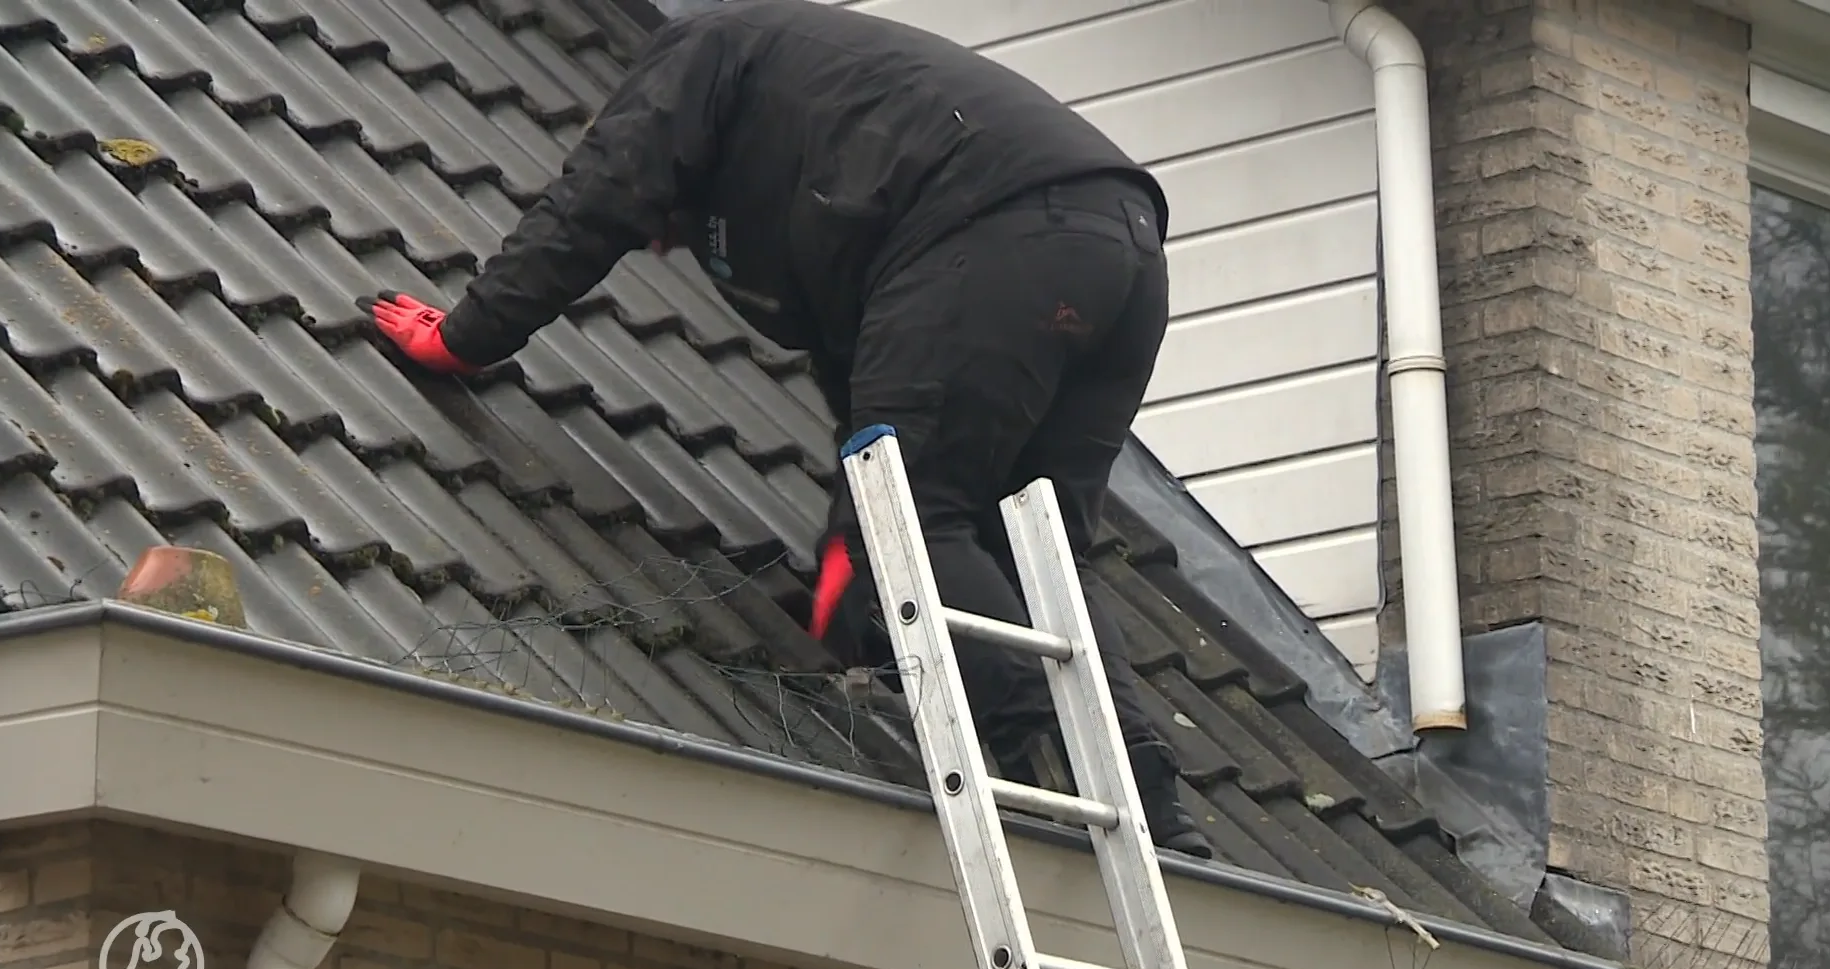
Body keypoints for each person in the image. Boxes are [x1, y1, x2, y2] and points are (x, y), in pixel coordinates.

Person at [368, 0, 1214, 858]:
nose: (660, 244)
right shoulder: (818, 136)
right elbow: (874, 370)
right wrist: (844, 554)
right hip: (1126, 256)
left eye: (664, 228)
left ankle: (1046, 762)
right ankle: (1147, 798)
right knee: (1030, 547)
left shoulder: (697, 57)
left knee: (911, 523)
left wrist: (465, 338)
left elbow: (595, 201)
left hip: (1002, 233)